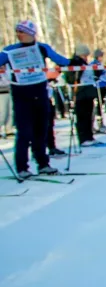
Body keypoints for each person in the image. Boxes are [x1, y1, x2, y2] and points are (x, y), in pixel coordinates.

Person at [0, 21, 69, 178]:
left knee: (41, 130)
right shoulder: (10, 50)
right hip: (21, 93)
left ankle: (43, 164)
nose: (19, 35)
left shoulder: (42, 48)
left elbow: (61, 60)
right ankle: (22, 167)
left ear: (31, 34)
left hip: (40, 91)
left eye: (22, 32)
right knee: (24, 132)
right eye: (17, 32)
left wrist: (73, 63)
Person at [64, 43, 101, 146]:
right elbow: (71, 77)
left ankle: (89, 136)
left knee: (89, 115)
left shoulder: (85, 64)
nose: (86, 58)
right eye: (84, 56)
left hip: (88, 92)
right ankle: (83, 138)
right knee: (82, 116)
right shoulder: (75, 63)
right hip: (80, 93)